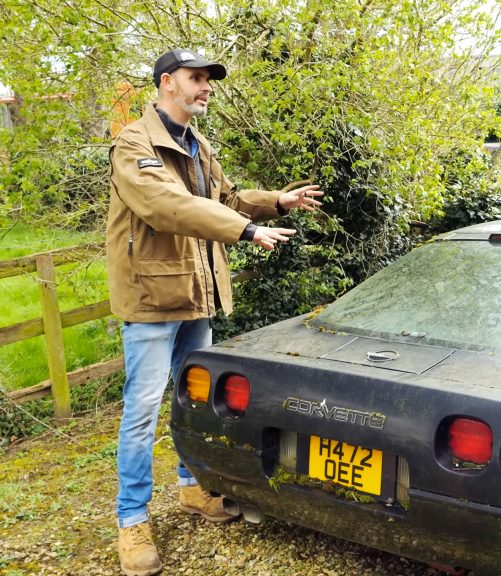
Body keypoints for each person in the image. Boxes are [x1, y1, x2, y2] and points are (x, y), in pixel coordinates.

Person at [107, 48, 323, 576]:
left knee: (198, 402)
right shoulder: (134, 144)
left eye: (208, 79)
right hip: (153, 300)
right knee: (141, 413)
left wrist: (274, 201)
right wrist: (246, 231)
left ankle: (192, 489)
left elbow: (224, 197)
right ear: (167, 83)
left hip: (195, 296)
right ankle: (131, 520)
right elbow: (166, 206)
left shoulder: (197, 144)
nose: (205, 87)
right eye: (196, 78)